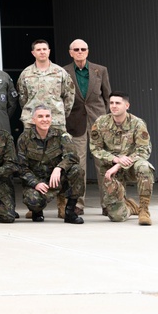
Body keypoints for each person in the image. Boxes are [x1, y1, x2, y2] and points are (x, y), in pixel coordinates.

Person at [90, 92, 155, 225]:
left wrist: (120, 164)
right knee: (116, 217)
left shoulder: (137, 123)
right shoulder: (101, 122)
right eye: (111, 103)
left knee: (144, 167)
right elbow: (95, 148)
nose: (113, 106)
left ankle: (143, 209)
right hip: (110, 169)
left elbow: (143, 150)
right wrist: (115, 159)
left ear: (127, 105)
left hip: (131, 167)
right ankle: (130, 207)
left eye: (117, 103)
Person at [62, 39, 111, 215]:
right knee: (79, 165)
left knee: (102, 163)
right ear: (71, 52)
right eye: (76, 49)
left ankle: (107, 203)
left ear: (88, 51)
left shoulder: (101, 70)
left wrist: (104, 118)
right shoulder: (64, 72)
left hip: (98, 122)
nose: (80, 52)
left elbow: (107, 96)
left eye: (83, 49)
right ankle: (78, 203)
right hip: (75, 122)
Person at [15, 105, 84, 224]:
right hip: (38, 182)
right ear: (33, 120)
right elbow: (21, 167)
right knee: (33, 201)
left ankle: (70, 212)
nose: (44, 119)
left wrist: (59, 168)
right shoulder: (24, 138)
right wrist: (35, 183)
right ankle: (37, 212)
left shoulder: (61, 135)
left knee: (77, 170)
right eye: (40, 116)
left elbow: (72, 156)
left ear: (51, 119)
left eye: (47, 116)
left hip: (57, 180)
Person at [17, 39, 75, 130]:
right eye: (38, 50)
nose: (42, 52)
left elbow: (69, 96)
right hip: (32, 121)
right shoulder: (26, 74)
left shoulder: (60, 72)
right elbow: (22, 98)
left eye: (44, 49)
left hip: (55, 121)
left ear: (49, 51)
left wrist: (61, 113)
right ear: (33, 53)